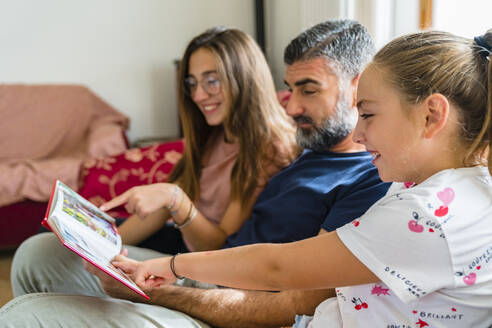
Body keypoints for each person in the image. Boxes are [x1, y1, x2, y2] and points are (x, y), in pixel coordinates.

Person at [1, 20, 390, 328]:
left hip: (230, 308)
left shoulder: (370, 178)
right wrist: (108, 243)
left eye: (309, 90)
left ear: (359, 86)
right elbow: (227, 248)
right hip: (206, 277)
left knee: (19, 317)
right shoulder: (311, 150)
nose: (290, 108)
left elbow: (299, 302)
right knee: (40, 252)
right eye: (289, 90)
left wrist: (160, 286)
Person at [106, 29, 492, 327]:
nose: (358, 134)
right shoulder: (431, 188)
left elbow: (278, 268)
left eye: (369, 114)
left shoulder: (430, 215)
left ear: (431, 115)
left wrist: (171, 271)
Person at [114, 26, 298, 254]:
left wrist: (175, 200)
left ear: (244, 78)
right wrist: (105, 243)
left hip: (203, 262)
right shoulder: (214, 134)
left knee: (59, 260)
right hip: (180, 240)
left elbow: (217, 246)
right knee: (63, 244)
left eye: (212, 81)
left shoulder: (270, 148)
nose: (198, 96)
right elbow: (164, 207)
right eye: (192, 83)